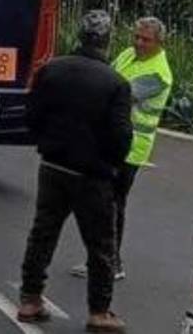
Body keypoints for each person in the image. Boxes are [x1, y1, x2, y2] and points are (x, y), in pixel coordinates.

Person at [17, 10, 133, 333]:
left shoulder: (52, 70)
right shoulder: (115, 84)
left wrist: (47, 141)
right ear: (107, 40)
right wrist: (111, 164)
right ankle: (99, 310)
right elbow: (122, 136)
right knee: (100, 245)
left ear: (79, 36)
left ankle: (30, 298)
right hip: (92, 174)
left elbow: (32, 114)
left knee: (43, 232)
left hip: (53, 165)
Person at [72, 16, 174, 281]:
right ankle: (99, 258)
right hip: (112, 139)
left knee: (114, 203)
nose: (139, 43)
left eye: (146, 39)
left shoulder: (159, 73)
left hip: (132, 146)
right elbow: (109, 78)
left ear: (159, 42)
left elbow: (119, 93)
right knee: (101, 200)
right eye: (137, 37)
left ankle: (112, 262)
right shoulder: (128, 54)